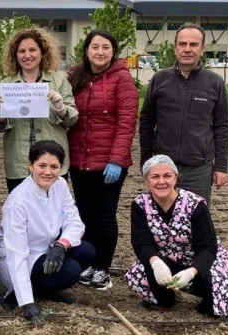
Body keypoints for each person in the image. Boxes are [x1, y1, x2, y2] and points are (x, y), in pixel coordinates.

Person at [125, 155, 228, 319]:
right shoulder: (140, 204)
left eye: (167, 176)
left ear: (175, 178)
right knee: (142, 272)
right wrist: (155, 262)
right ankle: (164, 300)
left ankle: (206, 301)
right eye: (155, 177)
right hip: (164, 258)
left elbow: (208, 247)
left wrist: (192, 271)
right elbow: (141, 242)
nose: (161, 182)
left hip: (199, 259)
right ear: (147, 180)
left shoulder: (195, 204)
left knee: (215, 296)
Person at [66, 30, 139, 290]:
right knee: (84, 214)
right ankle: (87, 262)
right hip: (79, 160)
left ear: (113, 51)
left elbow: (126, 122)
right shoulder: (75, 75)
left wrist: (117, 159)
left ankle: (102, 268)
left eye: (105, 47)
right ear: (86, 50)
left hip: (108, 162)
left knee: (105, 216)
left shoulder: (122, 79)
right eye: (94, 46)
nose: (99, 52)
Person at [0, 141, 95, 326]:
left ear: (61, 168)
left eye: (54, 166)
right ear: (30, 165)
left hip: (48, 247)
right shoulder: (18, 201)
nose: (48, 172)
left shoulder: (60, 185)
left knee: (86, 251)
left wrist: (61, 244)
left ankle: (44, 289)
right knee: (71, 271)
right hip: (20, 257)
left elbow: (74, 222)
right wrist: (27, 304)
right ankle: (20, 295)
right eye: (42, 165)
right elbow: (17, 253)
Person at [139, 23, 228, 204]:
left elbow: (222, 126)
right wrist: (146, 162)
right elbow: (146, 122)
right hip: (163, 167)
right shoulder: (160, 79)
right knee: (162, 218)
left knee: (197, 219)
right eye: (182, 44)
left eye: (194, 45)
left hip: (199, 168)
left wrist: (221, 166)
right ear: (175, 48)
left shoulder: (214, 82)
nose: (187, 49)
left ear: (202, 49)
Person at [0, 27, 78, 193]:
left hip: (51, 163)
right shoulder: (6, 85)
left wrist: (61, 107)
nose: (27, 55)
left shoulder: (59, 81)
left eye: (32, 50)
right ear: (15, 55)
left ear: (42, 52)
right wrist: (0, 114)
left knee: (53, 212)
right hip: (19, 163)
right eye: (21, 51)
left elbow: (72, 120)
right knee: (21, 213)